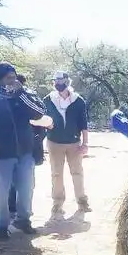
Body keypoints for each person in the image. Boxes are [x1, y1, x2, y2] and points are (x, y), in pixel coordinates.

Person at [0, 61, 47, 240]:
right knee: (0, 191)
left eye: (15, 77)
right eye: (9, 78)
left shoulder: (24, 94)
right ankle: (1, 225)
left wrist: (20, 94)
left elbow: (39, 113)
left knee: (26, 188)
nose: (13, 81)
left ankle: (24, 220)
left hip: (24, 151)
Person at [41, 71, 91, 216]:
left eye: (60, 81)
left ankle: (82, 202)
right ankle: (57, 204)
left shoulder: (78, 100)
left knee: (77, 172)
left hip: (74, 143)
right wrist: (46, 125)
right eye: (55, 81)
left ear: (67, 82)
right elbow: (43, 118)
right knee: (56, 174)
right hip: (54, 142)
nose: (57, 84)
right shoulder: (48, 99)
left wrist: (85, 143)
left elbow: (83, 123)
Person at [8, 74, 47, 220]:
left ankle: (24, 217)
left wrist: (21, 94)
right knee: (8, 184)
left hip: (26, 149)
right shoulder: (0, 97)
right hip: (6, 149)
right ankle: (8, 213)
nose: (13, 85)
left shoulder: (29, 96)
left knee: (26, 184)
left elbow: (41, 116)